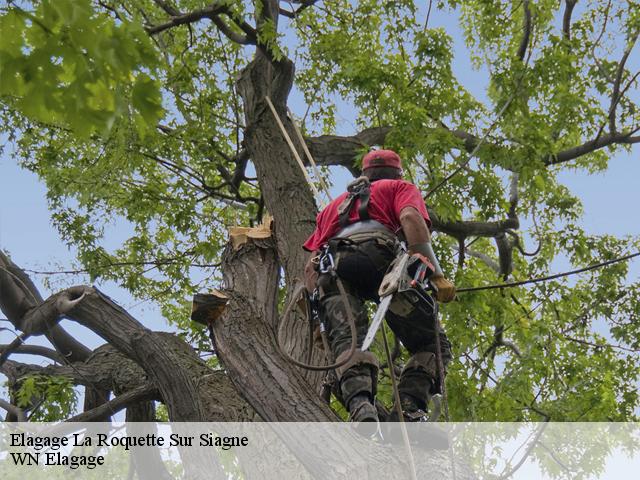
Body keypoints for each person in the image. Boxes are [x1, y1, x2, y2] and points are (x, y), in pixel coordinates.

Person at [303, 149, 456, 424]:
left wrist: (318, 320)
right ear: (397, 173)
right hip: (381, 264)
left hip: (333, 272)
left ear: (365, 175)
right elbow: (410, 219)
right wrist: (436, 275)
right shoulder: (399, 187)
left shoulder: (331, 208)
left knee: (347, 343)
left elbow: (309, 268)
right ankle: (408, 409)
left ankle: (360, 406)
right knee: (433, 344)